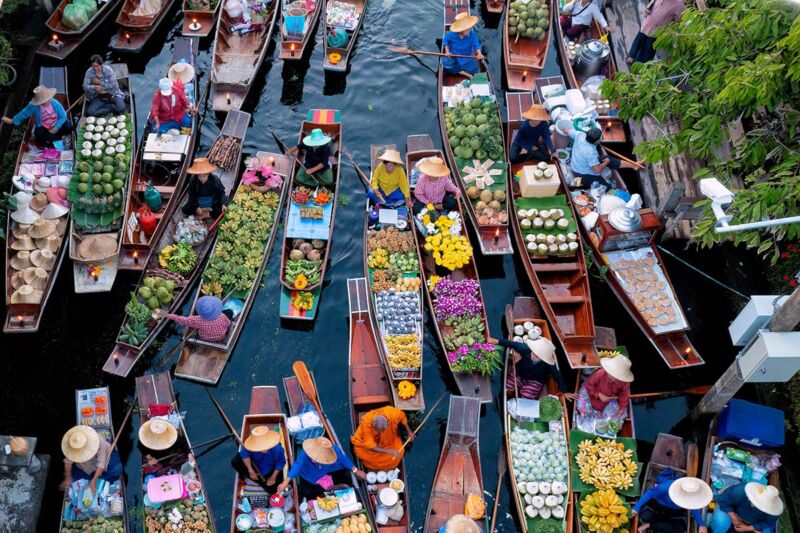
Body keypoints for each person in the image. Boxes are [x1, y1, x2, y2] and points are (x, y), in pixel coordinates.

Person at [488, 336, 577, 400]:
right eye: (533, 353)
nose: (533, 356)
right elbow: (513, 344)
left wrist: (565, 391)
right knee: (508, 389)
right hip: (520, 373)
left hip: (535, 380)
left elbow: (557, 376)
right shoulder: (526, 349)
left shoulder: (549, 365)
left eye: (537, 356)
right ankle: (510, 395)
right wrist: (497, 341)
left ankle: (521, 395)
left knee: (527, 398)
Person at [276, 437, 366, 499]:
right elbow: (297, 465)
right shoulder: (305, 453)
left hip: (324, 474)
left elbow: (343, 459)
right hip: (308, 477)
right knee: (306, 493)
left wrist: (355, 470)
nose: (314, 460)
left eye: (318, 459)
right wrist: (286, 481)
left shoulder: (334, 450)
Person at [632, 475, 712, 533]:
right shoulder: (666, 487)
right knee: (644, 517)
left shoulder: (692, 496)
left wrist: (701, 524)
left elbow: (694, 507)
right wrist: (636, 507)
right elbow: (650, 493)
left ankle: (650, 525)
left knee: (679, 529)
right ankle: (651, 524)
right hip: (657, 505)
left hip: (673, 511)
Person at [59, 425, 123, 495]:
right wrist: (67, 477)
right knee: (74, 483)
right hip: (84, 467)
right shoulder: (73, 444)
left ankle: (110, 483)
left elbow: (100, 465)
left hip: (105, 460)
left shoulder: (100, 442)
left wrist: (94, 481)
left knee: (117, 468)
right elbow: (68, 462)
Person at [567, 126, 636, 190]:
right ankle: (579, 188)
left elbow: (566, 130)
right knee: (608, 188)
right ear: (596, 141)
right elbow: (597, 170)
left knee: (606, 158)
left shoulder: (580, 135)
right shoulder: (591, 152)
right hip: (582, 175)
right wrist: (606, 162)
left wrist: (607, 160)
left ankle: (634, 165)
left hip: (575, 166)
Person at [350, 406, 415, 470]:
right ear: (373, 424)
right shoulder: (366, 423)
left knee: (400, 450)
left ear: (386, 425)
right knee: (371, 458)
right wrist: (389, 451)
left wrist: (409, 431)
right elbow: (371, 446)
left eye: (381, 431)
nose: (378, 432)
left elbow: (402, 415)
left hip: (385, 440)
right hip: (365, 444)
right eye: (376, 430)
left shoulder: (391, 413)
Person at [575, 354, 633, 425]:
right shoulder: (601, 373)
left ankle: (599, 421)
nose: (611, 375)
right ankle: (586, 420)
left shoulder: (625, 383)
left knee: (621, 414)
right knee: (581, 405)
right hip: (591, 393)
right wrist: (599, 394)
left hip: (608, 399)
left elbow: (624, 397)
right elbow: (589, 385)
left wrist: (620, 412)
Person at [2, 85, 71, 145]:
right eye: (46, 99)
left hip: (56, 122)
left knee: (68, 127)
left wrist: (57, 126)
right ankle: (56, 138)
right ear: (40, 101)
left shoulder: (55, 103)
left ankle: (54, 138)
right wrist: (13, 120)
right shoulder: (34, 106)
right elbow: (24, 113)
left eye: (49, 98)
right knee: (39, 136)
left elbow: (63, 115)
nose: (49, 100)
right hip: (43, 125)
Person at [231, 427, 286, 494]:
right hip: (254, 464)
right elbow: (244, 454)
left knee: (272, 490)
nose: (263, 449)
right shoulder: (250, 444)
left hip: (270, 469)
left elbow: (280, 463)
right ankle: (243, 476)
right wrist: (250, 469)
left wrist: (273, 477)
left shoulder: (277, 449)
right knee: (235, 462)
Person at [710, 482, 782, 533]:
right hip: (733, 512)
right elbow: (723, 500)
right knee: (720, 521)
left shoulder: (774, 510)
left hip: (753, 523)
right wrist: (733, 517)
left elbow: (767, 523)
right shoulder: (740, 490)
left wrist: (747, 528)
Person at [156, 295, 231, 343]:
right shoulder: (222, 316)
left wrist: (166, 314)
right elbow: (228, 324)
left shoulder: (197, 319)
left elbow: (180, 319)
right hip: (220, 339)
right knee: (229, 312)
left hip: (204, 338)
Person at [441, 13, 484, 79]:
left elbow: (476, 45)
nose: (469, 31)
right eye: (467, 30)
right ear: (461, 30)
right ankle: (466, 74)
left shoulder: (472, 34)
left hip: (467, 56)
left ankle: (460, 70)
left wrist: (479, 53)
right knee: (446, 66)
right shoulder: (451, 34)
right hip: (453, 56)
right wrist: (447, 51)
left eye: (469, 28)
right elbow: (445, 41)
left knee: (475, 69)